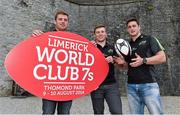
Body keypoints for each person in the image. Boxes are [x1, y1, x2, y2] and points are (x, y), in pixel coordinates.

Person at [114, 18, 166, 114]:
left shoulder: (150, 39)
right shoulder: (127, 45)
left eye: (134, 26)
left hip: (149, 85)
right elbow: (126, 66)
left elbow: (162, 58)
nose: (132, 28)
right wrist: (120, 63)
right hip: (131, 87)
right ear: (127, 29)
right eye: (129, 27)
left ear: (139, 27)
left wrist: (144, 60)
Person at [32, 10, 72, 115]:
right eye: (60, 19)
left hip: (67, 87)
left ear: (68, 23)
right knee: (48, 113)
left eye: (65, 20)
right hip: (50, 86)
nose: (63, 22)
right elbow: (35, 53)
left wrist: (92, 46)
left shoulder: (73, 40)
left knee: (65, 113)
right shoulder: (45, 37)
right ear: (55, 21)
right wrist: (33, 38)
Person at [91, 25, 122, 114]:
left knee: (117, 112)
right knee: (98, 112)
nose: (100, 34)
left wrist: (114, 61)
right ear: (94, 35)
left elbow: (121, 65)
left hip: (111, 85)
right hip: (96, 86)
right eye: (98, 32)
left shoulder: (113, 48)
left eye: (102, 31)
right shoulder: (90, 47)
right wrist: (87, 47)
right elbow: (82, 64)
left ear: (106, 34)